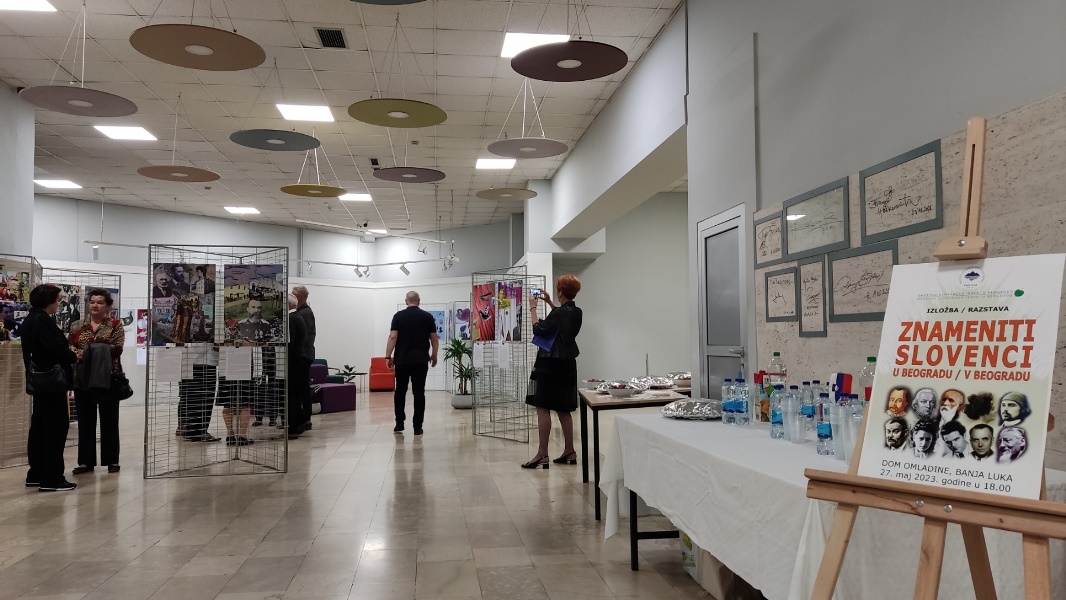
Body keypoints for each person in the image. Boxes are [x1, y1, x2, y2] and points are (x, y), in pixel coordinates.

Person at [21, 284, 78, 491]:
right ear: (49, 300)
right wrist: (73, 355)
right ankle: (52, 477)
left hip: (40, 383)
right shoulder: (42, 320)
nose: (59, 303)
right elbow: (56, 349)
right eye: (57, 299)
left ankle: (36, 473)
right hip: (51, 383)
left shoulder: (31, 319)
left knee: (40, 427)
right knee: (56, 427)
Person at [523, 275, 583, 469]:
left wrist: (533, 307)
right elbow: (562, 316)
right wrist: (549, 302)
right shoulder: (576, 312)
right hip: (567, 363)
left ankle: (542, 453)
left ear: (560, 291)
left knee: (542, 406)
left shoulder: (559, 314)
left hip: (550, 364)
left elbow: (538, 329)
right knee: (563, 408)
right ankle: (570, 450)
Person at [69, 289, 125, 475]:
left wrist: (87, 351)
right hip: (83, 377)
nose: (95, 305)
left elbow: (117, 348)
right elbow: (70, 347)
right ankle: (86, 461)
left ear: (107, 306)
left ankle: (112, 460)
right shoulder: (77, 325)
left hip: (108, 377)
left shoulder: (115, 325)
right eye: (92, 302)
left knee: (110, 420)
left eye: (100, 302)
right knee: (85, 421)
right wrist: (93, 349)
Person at [385, 291, 439, 435]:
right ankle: (417, 426)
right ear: (419, 301)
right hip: (420, 361)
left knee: (400, 391)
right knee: (419, 393)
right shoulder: (427, 317)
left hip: (402, 361)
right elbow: (434, 338)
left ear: (406, 301)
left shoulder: (398, 316)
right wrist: (434, 355)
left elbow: (393, 337)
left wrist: (388, 356)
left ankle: (399, 423)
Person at [176, 343, 220, 442]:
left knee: (190, 398)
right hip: (203, 363)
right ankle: (198, 432)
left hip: (191, 362)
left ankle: (190, 430)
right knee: (203, 399)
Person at [292, 286, 316, 433]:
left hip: (303, 355)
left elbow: (304, 336)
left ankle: (305, 417)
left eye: (293, 294)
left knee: (302, 387)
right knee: (301, 386)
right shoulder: (302, 312)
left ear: (300, 297)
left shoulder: (304, 313)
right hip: (304, 354)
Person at [286, 294, 308, 439]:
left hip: (291, 361)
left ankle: (293, 426)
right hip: (297, 359)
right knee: (293, 391)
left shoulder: (290, 319)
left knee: (290, 393)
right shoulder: (298, 317)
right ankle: (300, 420)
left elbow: (290, 342)